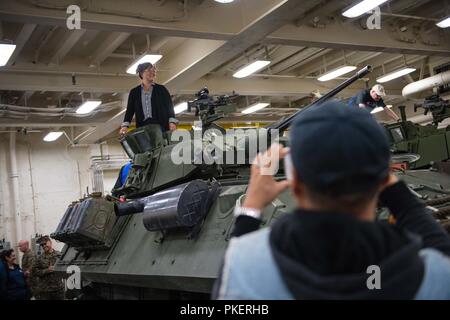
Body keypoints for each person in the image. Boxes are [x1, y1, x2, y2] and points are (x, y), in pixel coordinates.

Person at [213, 101, 450, 300]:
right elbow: (441, 250)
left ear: (294, 183)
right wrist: (397, 193)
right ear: (383, 179)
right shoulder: (432, 275)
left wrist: (251, 209)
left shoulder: (244, 268)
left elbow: (234, 264)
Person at [119, 62, 178, 135]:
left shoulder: (161, 89)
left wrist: (172, 122)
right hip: (142, 127)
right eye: (149, 70)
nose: (152, 72)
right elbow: (130, 110)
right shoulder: (134, 92)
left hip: (160, 126)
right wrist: (125, 126)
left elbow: (169, 106)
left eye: (154, 71)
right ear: (141, 73)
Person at [33, 236, 65, 300]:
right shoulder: (40, 258)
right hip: (46, 291)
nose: (44, 246)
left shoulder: (59, 255)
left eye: (45, 243)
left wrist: (58, 269)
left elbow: (65, 267)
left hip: (58, 289)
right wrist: (47, 270)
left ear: (50, 242)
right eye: (42, 245)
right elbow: (35, 272)